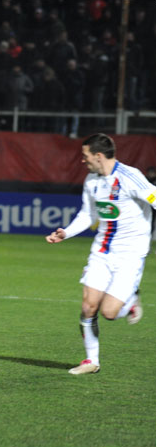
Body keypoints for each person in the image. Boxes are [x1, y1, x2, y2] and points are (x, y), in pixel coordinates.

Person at [46, 133, 156, 375]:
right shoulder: (91, 181)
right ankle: (91, 361)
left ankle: (130, 301)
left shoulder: (129, 177)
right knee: (88, 307)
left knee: (108, 313)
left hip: (130, 255)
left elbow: (155, 198)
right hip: (102, 251)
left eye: (85, 156)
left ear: (98, 155)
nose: (82, 161)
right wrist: (66, 232)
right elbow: (88, 215)